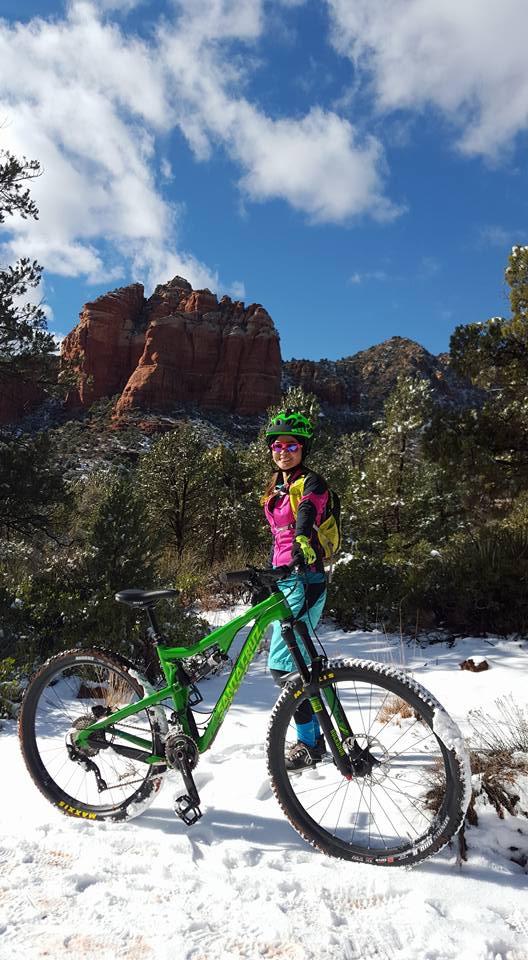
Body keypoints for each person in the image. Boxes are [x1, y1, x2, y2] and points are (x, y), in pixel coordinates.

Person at [262, 409, 329, 770]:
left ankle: (310, 744)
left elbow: (308, 513)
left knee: (284, 666)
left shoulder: (312, 483)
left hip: (305, 578)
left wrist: (303, 539)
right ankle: (330, 735)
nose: (283, 451)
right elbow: (278, 535)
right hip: (283, 578)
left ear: (303, 448)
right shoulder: (277, 485)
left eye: (291, 445)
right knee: (302, 663)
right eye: (277, 445)